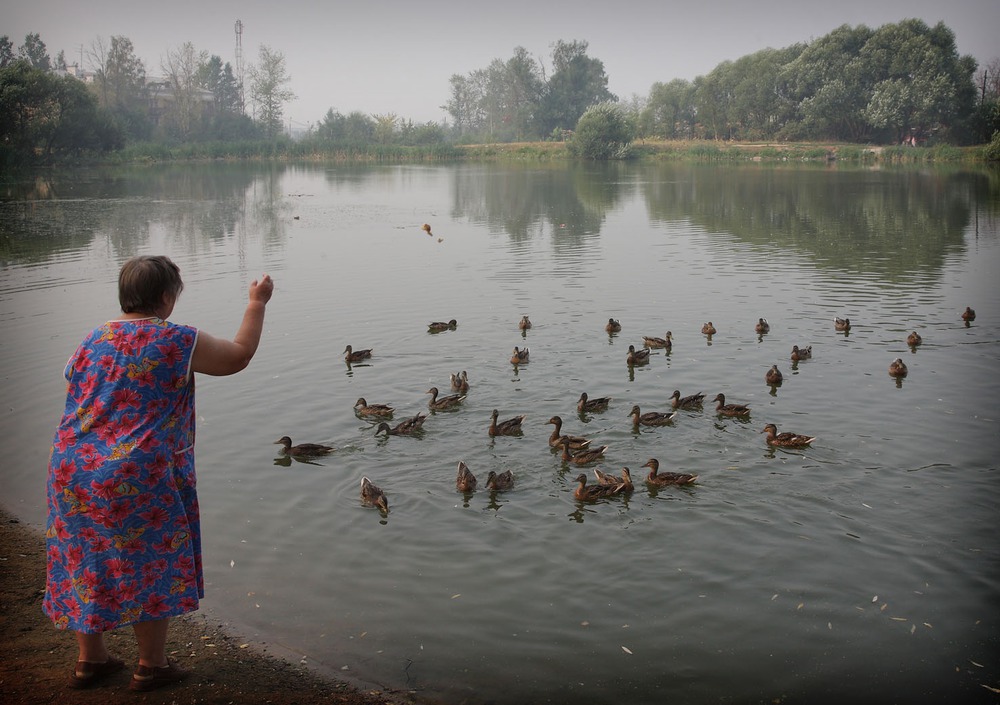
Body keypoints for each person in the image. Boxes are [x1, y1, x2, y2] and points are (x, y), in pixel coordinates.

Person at [42, 255, 273, 691]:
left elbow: (73, 379)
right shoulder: (175, 340)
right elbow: (238, 357)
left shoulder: (92, 338)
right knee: (150, 560)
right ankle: (151, 665)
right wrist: (256, 303)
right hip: (138, 473)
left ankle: (90, 660)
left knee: (84, 557)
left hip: (72, 469)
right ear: (167, 297)